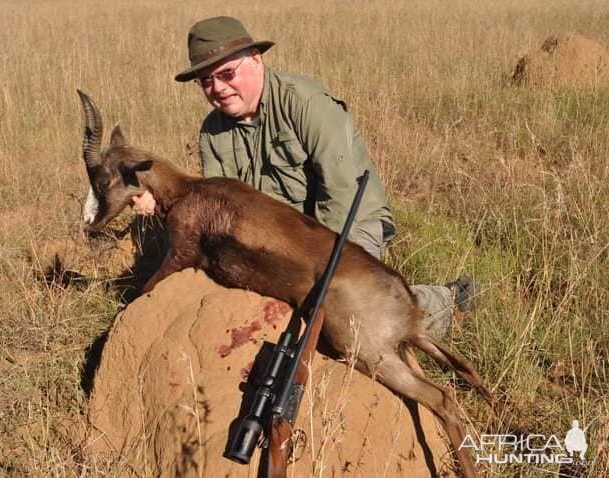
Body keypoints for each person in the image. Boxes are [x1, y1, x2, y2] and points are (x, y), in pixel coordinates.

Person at [132, 16, 479, 337]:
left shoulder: (306, 104)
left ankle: (446, 304)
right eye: (205, 81)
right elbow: (220, 213)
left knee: (336, 310)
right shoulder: (212, 132)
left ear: (255, 60)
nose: (217, 88)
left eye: (226, 74)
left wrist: (303, 263)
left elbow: (341, 192)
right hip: (281, 236)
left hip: (345, 224)